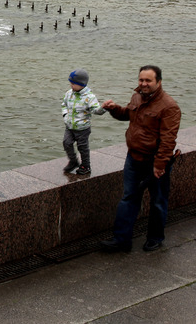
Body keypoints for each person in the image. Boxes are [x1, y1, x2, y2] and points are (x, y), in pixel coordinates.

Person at [100, 65, 181, 253]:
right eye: (141, 80)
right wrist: (113, 109)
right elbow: (128, 115)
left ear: (158, 82)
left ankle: (155, 238)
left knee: (158, 201)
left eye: (148, 81)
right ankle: (121, 240)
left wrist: (160, 165)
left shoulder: (169, 106)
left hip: (155, 161)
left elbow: (169, 139)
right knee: (128, 198)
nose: (143, 84)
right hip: (134, 158)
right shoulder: (137, 97)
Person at [62, 69, 106, 175]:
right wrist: (65, 115)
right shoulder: (69, 94)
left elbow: (96, 110)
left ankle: (86, 166)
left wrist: (103, 108)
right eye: (70, 83)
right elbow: (64, 105)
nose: (71, 85)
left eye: (73, 83)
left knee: (83, 147)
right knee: (66, 143)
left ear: (81, 84)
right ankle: (73, 161)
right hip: (70, 126)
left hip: (83, 128)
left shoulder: (89, 97)